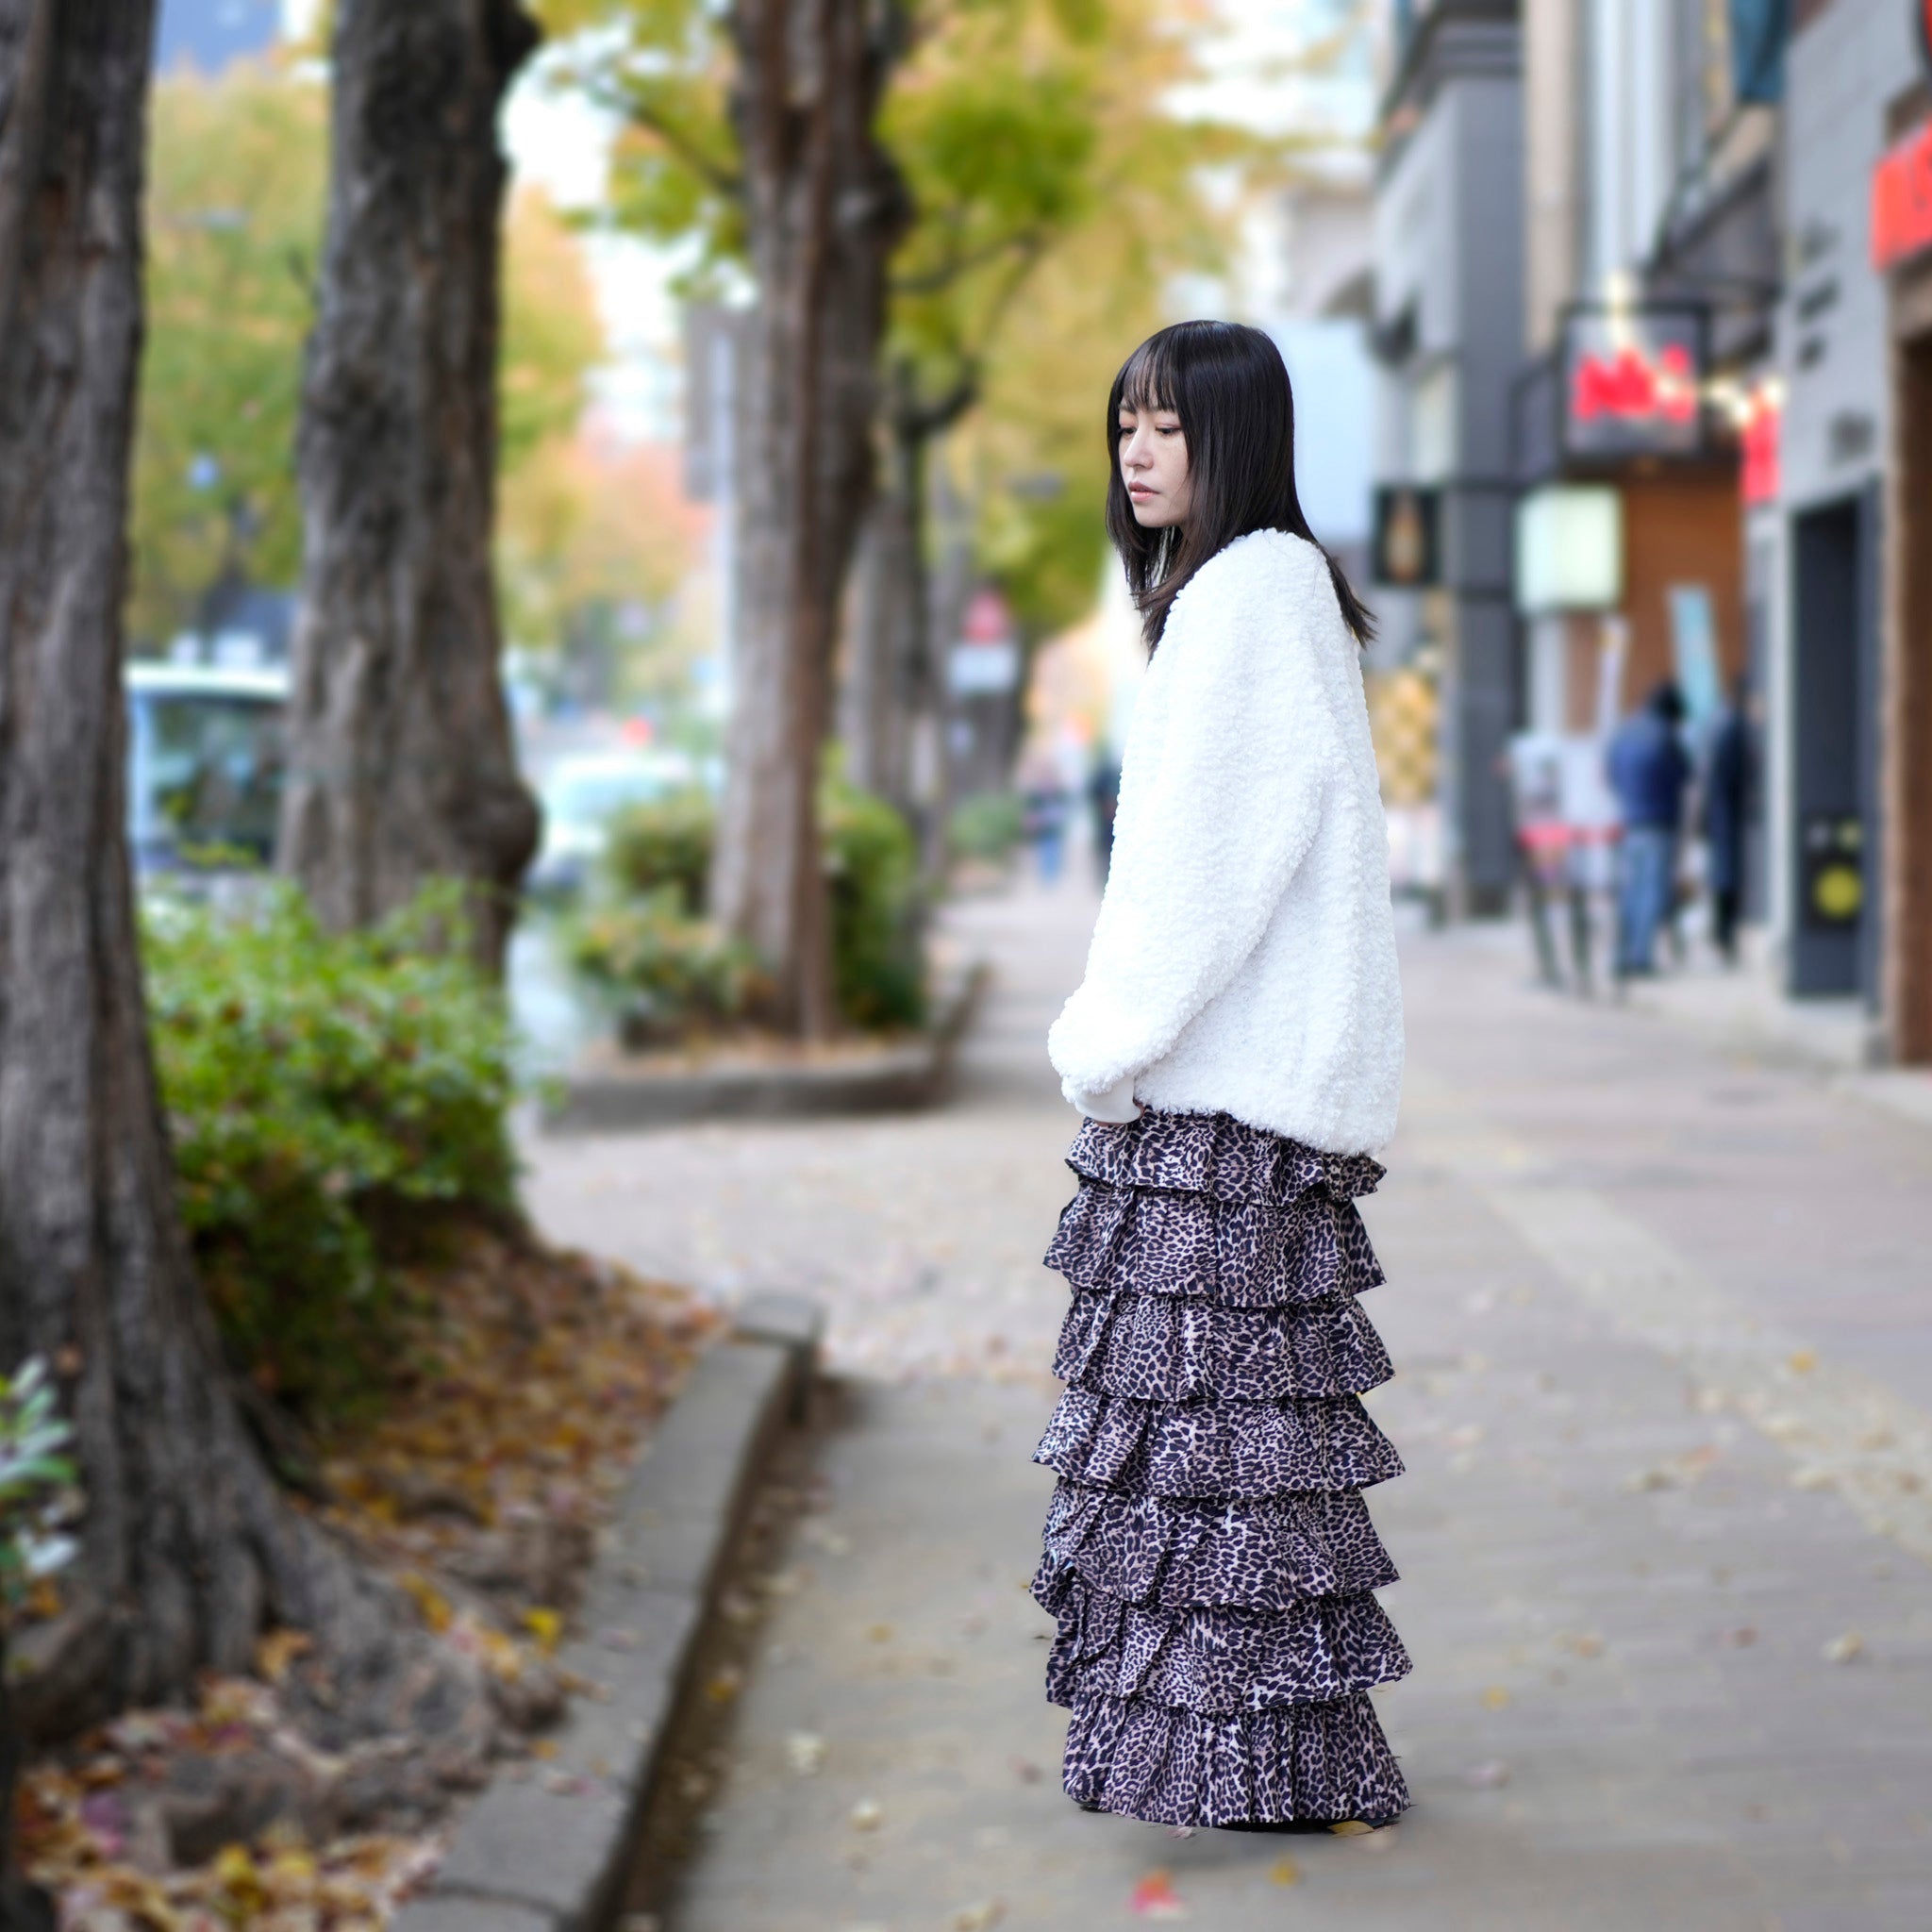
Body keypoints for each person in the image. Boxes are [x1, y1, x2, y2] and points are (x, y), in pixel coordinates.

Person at [1034, 320, 1410, 1833]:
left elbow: (1207, 866)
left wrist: (1103, 1035)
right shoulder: (1253, 592)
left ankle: (1234, 1768)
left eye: (1169, 426)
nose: (1136, 451)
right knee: (1240, 1463)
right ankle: (1266, 1766)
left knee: (1207, 1462)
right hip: (1240, 1090)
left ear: (1235, 440)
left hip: (1217, 1100)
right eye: (1126, 420)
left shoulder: (1248, 596)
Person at [1606, 680, 1690, 978]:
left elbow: (1609, 771)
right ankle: (1640, 957)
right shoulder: (1665, 736)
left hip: (1630, 823)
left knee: (1630, 892)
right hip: (1659, 823)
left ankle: (1620, 955)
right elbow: (1683, 776)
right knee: (1651, 893)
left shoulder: (1625, 731)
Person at [1703, 676, 1754, 965]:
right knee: (1727, 876)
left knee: (1724, 875)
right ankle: (1723, 935)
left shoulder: (1720, 725)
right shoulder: (1732, 727)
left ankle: (1722, 934)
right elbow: (1731, 775)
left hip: (1722, 813)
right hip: (1727, 814)